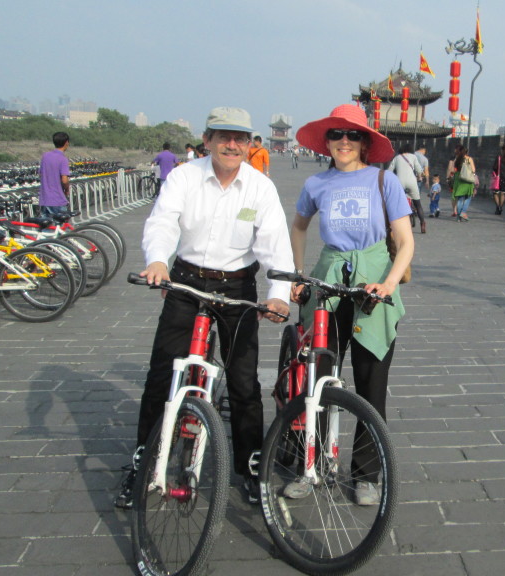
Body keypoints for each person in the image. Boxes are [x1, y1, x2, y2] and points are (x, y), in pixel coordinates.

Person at [114, 106, 294, 509]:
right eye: (224, 136)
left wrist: (278, 292)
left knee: (245, 383)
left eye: (241, 138)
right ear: (208, 140)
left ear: (249, 145)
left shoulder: (260, 188)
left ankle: (250, 470)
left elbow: (274, 244)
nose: (233, 145)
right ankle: (142, 462)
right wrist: (158, 260)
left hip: (237, 286)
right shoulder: (184, 176)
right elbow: (163, 221)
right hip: (186, 281)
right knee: (162, 374)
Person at [286, 103, 413, 506]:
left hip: (373, 285)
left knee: (371, 383)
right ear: (326, 142)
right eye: (336, 135)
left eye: (352, 135)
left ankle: (366, 474)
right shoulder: (316, 184)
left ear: (364, 142)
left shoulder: (383, 181)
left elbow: (406, 241)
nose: (344, 142)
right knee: (318, 379)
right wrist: (299, 273)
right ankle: (314, 463)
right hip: (327, 284)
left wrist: (388, 284)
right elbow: (299, 226)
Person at [389, 143, 425, 234]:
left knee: (398, 204)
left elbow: (389, 171)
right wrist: (420, 177)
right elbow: (419, 170)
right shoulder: (413, 157)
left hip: (400, 182)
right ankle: (423, 224)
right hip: (412, 182)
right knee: (418, 204)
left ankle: (398, 225)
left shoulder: (397, 158)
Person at [38, 131, 71, 218]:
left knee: (46, 228)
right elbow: (64, 180)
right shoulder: (63, 159)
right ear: (66, 143)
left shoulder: (45, 156)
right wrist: (67, 189)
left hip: (44, 199)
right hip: (57, 199)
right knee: (61, 228)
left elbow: (41, 174)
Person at [451, 146, 476, 222]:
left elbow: (453, 169)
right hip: (467, 180)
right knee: (468, 197)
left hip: (458, 179)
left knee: (460, 198)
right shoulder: (469, 159)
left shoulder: (457, 159)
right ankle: (463, 212)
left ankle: (458, 217)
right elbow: (473, 170)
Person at [491, 145, 505, 215]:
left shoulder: (499, 158)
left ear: (502, 150)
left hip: (499, 178)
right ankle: (501, 206)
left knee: (495, 193)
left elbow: (494, 167)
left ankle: (498, 207)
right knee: (503, 193)